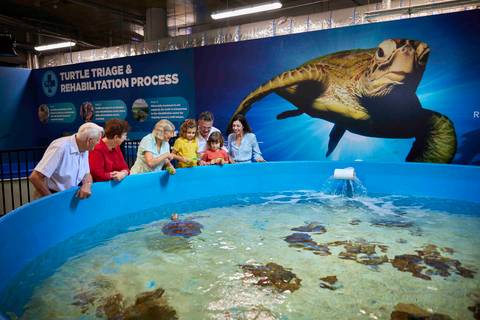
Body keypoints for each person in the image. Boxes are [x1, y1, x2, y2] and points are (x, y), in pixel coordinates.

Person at [29, 122, 104, 200]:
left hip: (67, 196)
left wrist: (87, 184)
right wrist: (50, 199)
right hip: (50, 194)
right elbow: (35, 177)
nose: (98, 143)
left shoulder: (85, 148)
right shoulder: (60, 147)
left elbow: (86, 174)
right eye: (97, 140)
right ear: (89, 140)